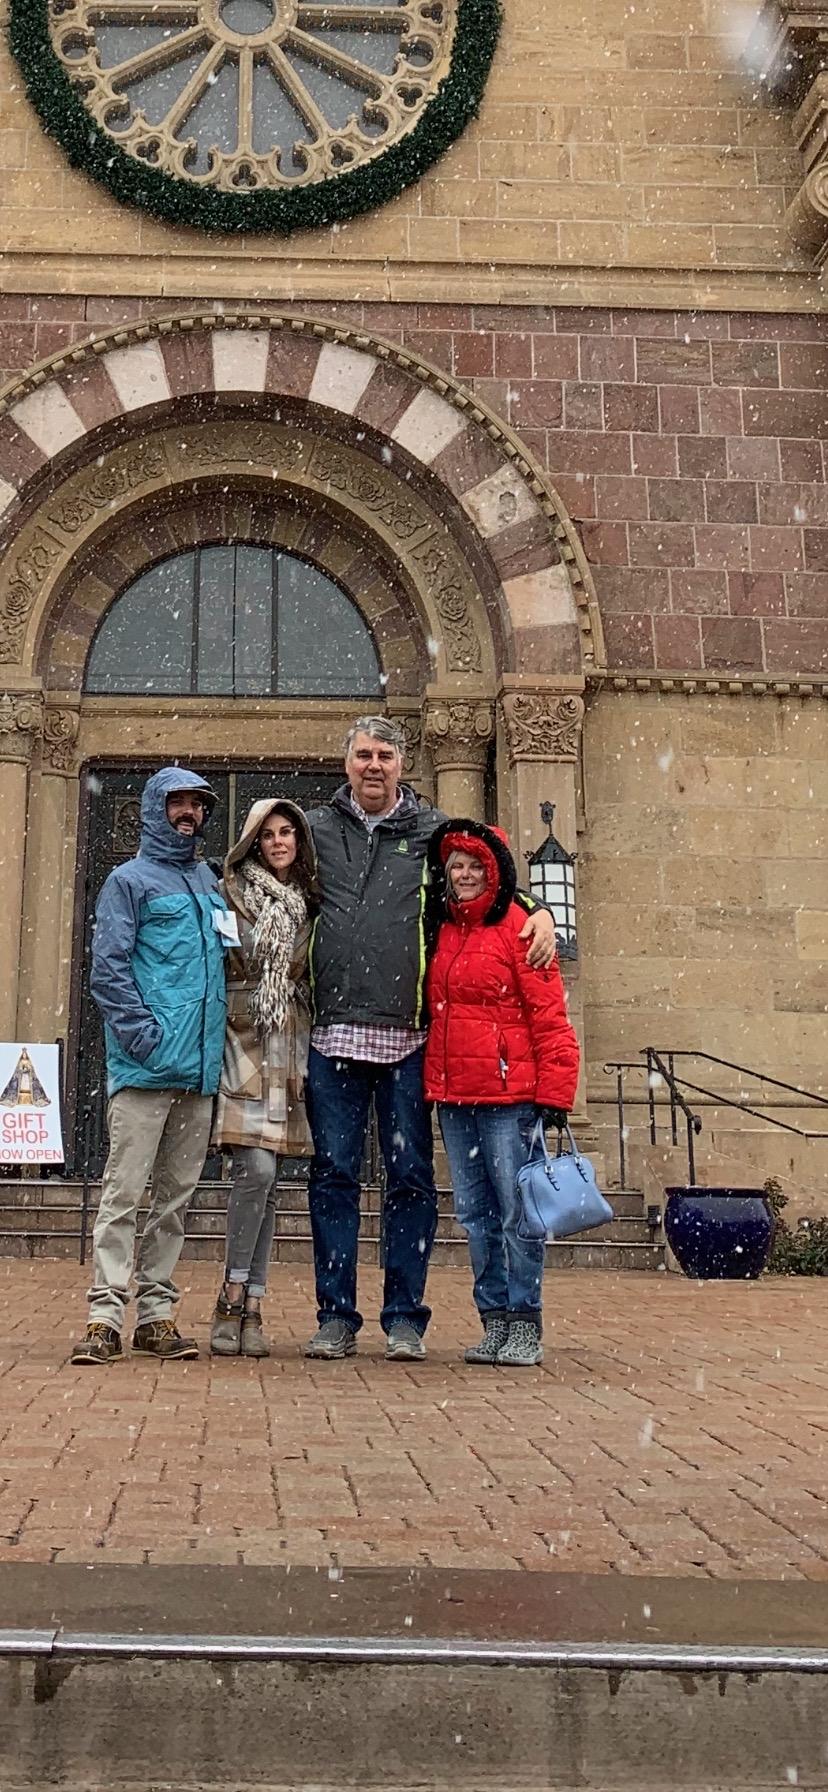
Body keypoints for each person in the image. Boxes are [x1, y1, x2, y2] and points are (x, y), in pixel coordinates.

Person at [302, 715, 556, 1363]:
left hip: (411, 1040)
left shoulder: (433, 832)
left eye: (385, 755)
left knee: (410, 1179)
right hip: (331, 1038)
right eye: (363, 754)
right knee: (332, 1176)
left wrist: (540, 910)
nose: (373, 766)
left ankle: (404, 1318)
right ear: (346, 762)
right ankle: (335, 1317)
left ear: (403, 764)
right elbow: (262, 879)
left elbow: (489, 882)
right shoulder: (316, 830)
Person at [71, 767, 229, 1366]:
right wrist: (144, 1039)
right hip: (145, 1070)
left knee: (174, 1201)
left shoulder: (210, 883)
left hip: (198, 1073)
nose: (188, 813)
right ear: (155, 808)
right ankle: (104, 1315)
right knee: (123, 1194)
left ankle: (156, 1315)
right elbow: (108, 968)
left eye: (196, 804)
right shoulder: (127, 880)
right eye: (178, 803)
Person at [423, 817, 580, 1368]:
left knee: (518, 1213)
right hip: (456, 1098)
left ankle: (524, 1322)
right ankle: (492, 1320)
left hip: (509, 1098)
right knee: (475, 1215)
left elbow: (550, 1017)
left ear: (495, 872)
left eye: (474, 866)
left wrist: (557, 1094)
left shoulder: (522, 928)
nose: (464, 875)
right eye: (456, 867)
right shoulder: (440, 926)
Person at [209, 799, 318, 1358]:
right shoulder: (228, 895)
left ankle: (253, 1303)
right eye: (267, 834)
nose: (278, 842)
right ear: (252, 842)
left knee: (269, 1175)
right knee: (253, 1169)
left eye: (287, 833)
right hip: (241, 1038)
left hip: (289, 1044)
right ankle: (230, 1295)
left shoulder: (311, 904)